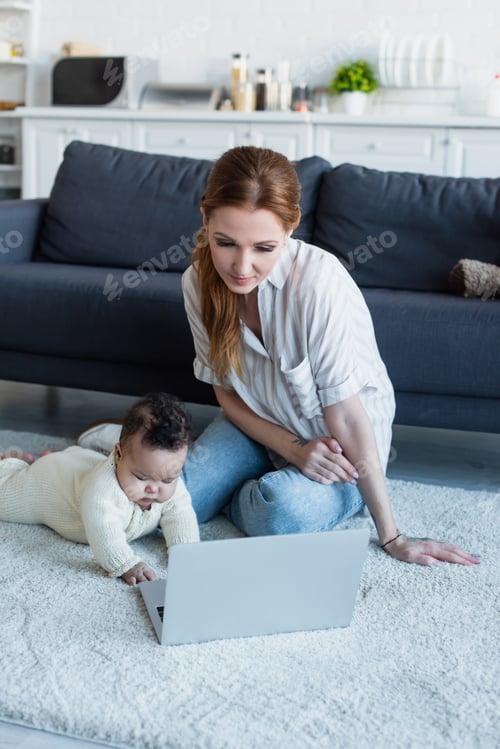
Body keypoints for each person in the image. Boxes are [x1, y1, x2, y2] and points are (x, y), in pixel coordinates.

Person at [80, 146, 479, 569]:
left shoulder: (317, 285)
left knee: (276, 512)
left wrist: (393, 536)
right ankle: (107, 452)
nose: (242, 266)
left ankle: (242, 484)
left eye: (264, 248)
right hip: (256, 425)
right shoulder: (197, 282)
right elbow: (227, 395)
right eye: (226, 243)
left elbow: (347, 418)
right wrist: (292, 448)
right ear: (205, 219)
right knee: (163, 500)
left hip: (339, 449)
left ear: (290, 230)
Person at [0, 392, 199, 585]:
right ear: (118, 454)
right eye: (141, 477)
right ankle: (10, 466)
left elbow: (180, 513)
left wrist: (185, 551)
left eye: (167, 480)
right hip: (46, 482)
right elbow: (104, 532)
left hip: (77, 465)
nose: (153, 489)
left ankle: (35, 460)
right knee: (5, 498)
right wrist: (127, 564)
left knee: (76, 463)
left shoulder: (168, 478)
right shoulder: (102, 491)